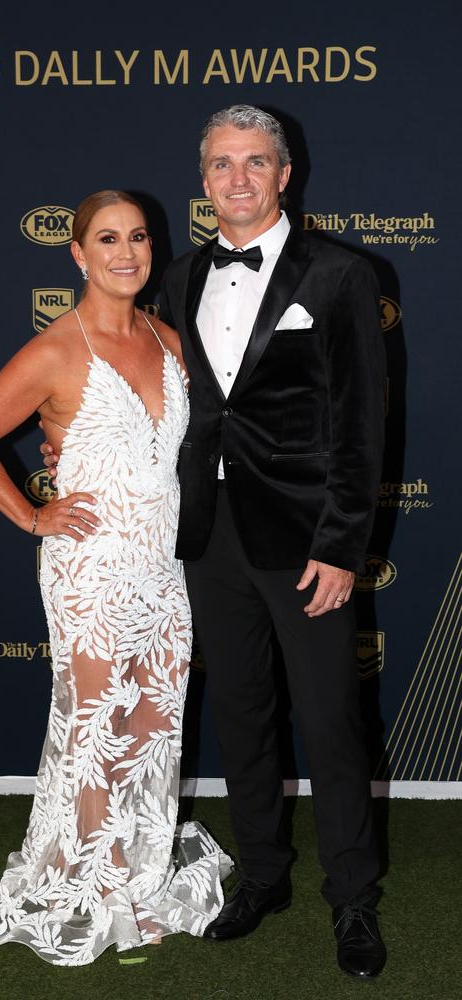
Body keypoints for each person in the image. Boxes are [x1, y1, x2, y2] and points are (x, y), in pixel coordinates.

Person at [42, 108, 387, 978]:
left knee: (331, 723)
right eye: (222, 164)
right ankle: (263, 875)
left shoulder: (344, 275)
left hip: (308, 538)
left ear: (285, 173)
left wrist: (344, 545)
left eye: (255, 163)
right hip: (203, 537)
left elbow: (363, 426)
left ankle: (352, 898)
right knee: (239, 714)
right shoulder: (179, 278)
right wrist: (66, 447)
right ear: (204, 181)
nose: (238, 178)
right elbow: (153, 395)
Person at [0, 190, 231, 967]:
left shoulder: (170, 339)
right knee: (94, 728)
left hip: (161, 565)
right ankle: (102, 890)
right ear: (78, 254)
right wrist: (33, 516)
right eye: (107, 239)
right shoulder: (55, 350)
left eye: (138, 236)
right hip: (91, 570)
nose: (126, 252)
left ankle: (141, 875)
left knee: (153, 726)